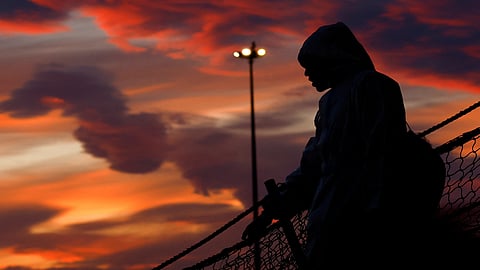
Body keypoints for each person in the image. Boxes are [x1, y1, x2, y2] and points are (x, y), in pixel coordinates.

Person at [242, 21, 446, 269]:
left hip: (365, 227)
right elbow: (315, 166)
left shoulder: (371, 86)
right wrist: (274, 210)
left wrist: (376, 209)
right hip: (330, 228)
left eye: (312, 65)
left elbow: (382, 152)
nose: (307, 74)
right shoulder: (328, 104)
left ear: (333, 58)